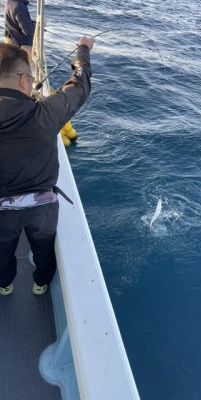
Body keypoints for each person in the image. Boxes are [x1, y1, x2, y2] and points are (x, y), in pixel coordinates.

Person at [0, 36, 95, 296]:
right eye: (30, 79)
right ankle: (41, 283)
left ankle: (4, 285)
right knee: (43, 249)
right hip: (42, 208)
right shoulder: (47, 112)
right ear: (22, 80)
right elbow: (80, 83)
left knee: (2, 251)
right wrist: (83, 51)